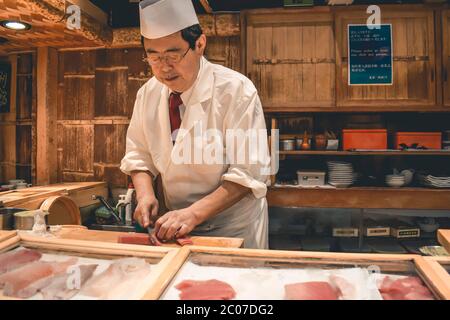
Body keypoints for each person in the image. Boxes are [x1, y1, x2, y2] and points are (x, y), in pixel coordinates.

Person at [120, 0, 271, 249]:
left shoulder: (236, 91)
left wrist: (193, 214)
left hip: (233, 226)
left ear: (199, 44)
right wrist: (146, 194)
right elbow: (139, 154)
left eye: (173, 55)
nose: (164, 67)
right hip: (176, 226)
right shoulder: (147, 93)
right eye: (154, 57)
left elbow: (248, 173)